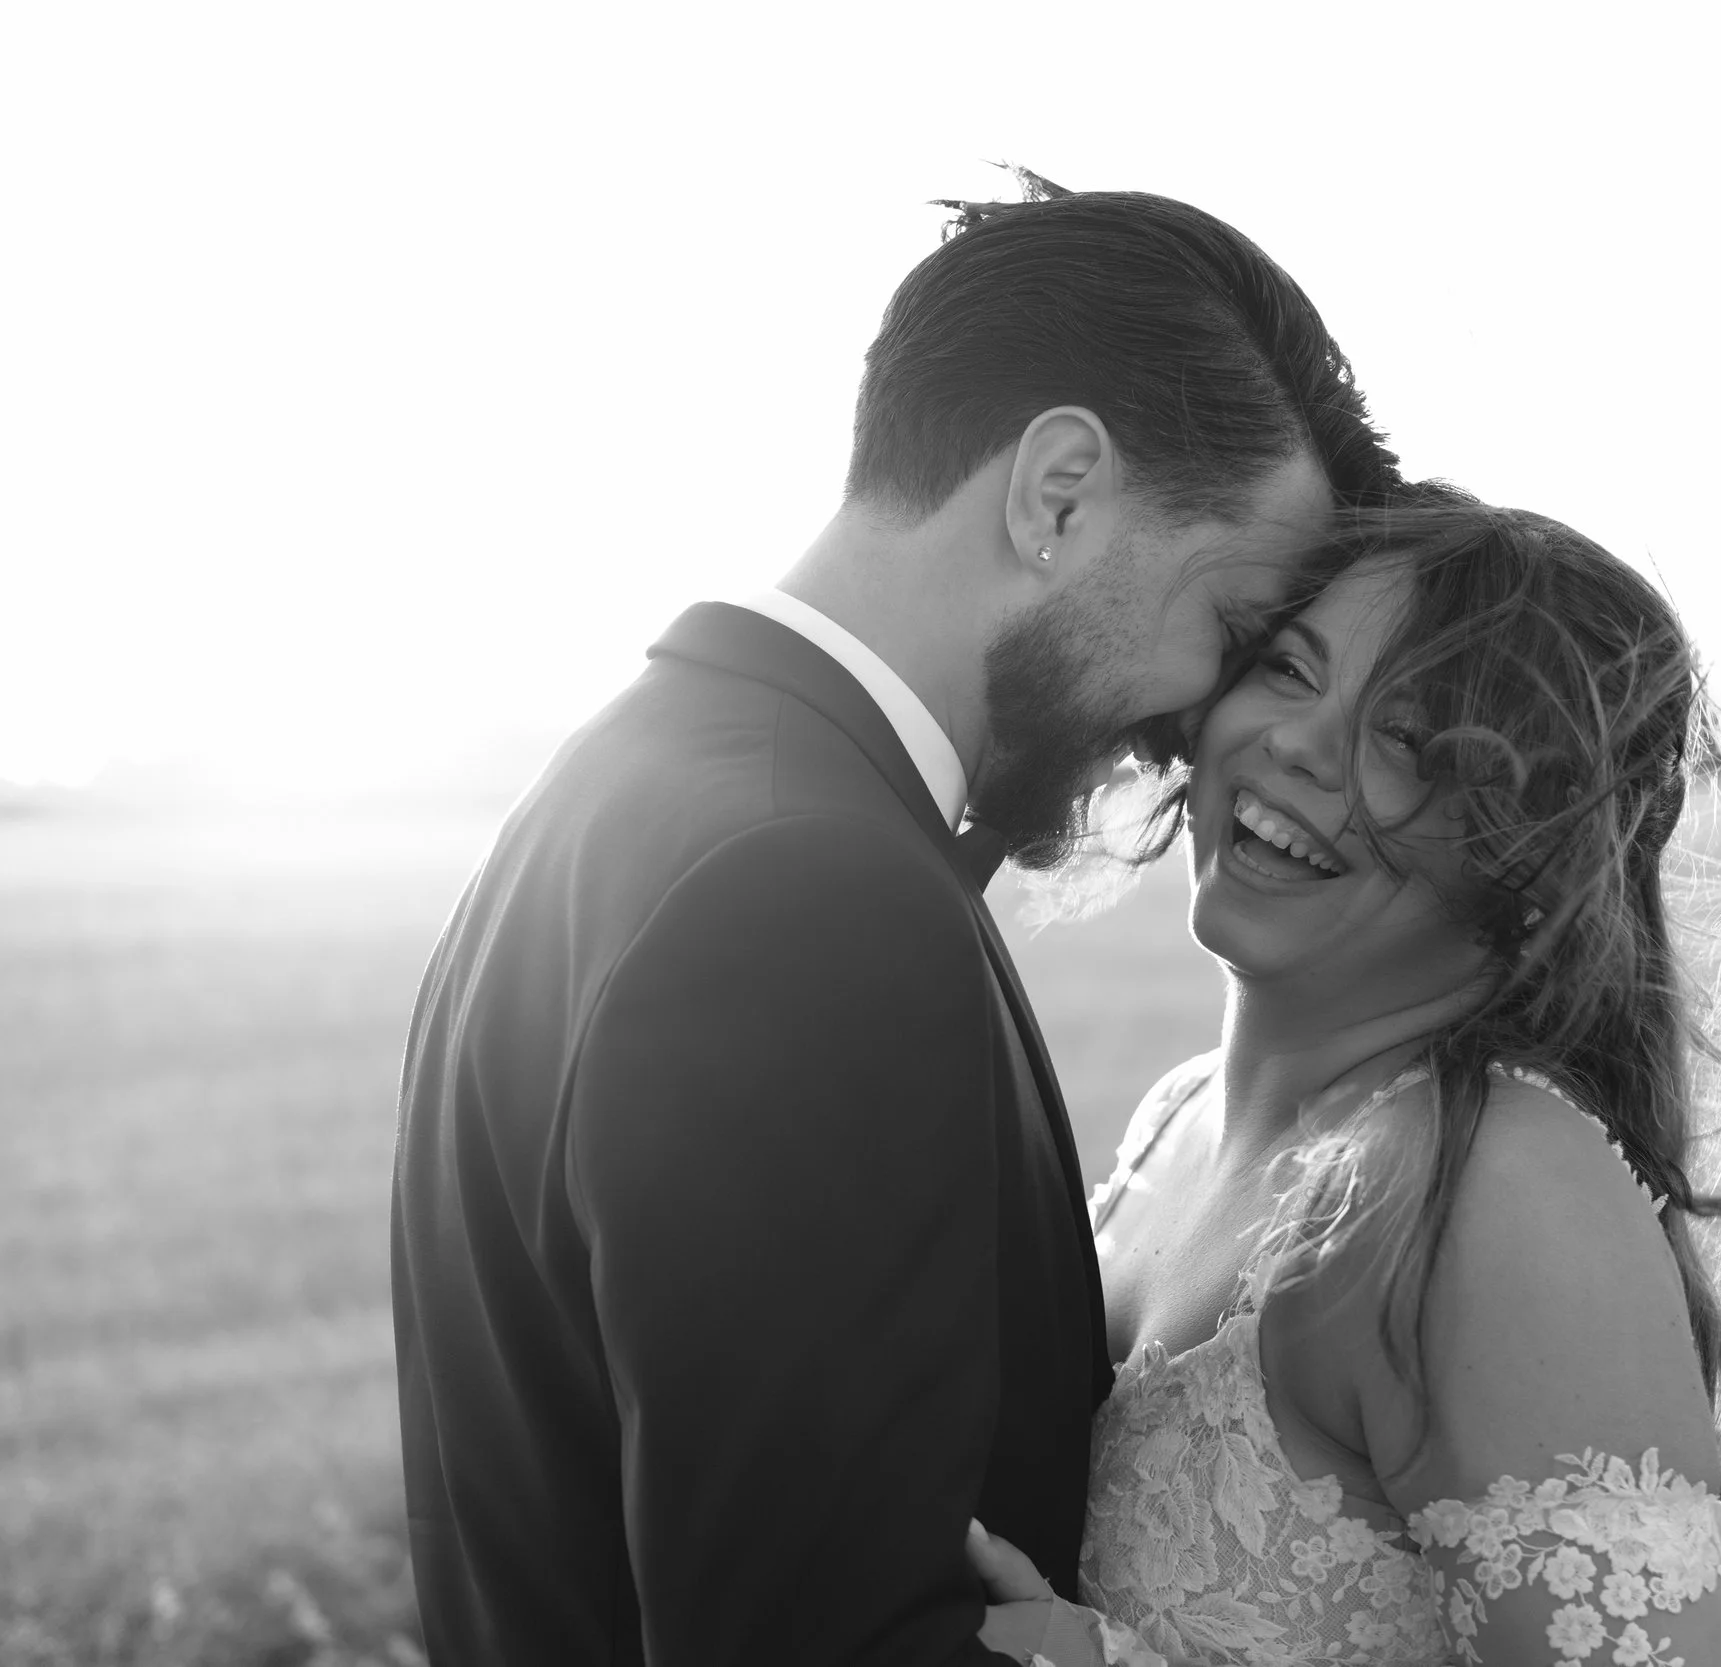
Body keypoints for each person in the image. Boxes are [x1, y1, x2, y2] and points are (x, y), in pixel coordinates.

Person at [390, 173, 1398, 1665]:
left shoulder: (628, 788)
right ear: (1059, 491)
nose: (1198, 726)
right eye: (1234, 628)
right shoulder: (812, 895)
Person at [972, 487, 1721, 1665]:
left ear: (1528, 860)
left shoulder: (1493, 1190)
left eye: (1408, 741)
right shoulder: (1177, 1115)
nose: (1300, 744)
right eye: (1291, 670)